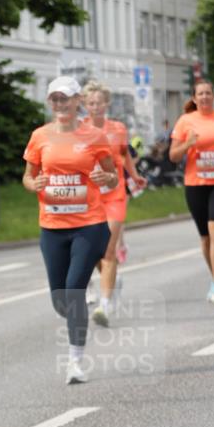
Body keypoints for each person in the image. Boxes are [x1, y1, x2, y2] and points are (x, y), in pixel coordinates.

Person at [23, 76, 118, 384]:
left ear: (78, 100)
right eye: (54, 98)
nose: (59, 103)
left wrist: (106, 179)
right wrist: (34, 184)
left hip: (89, 225)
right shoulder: (40, 136)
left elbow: (113, 175)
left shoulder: (94, 136)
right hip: (52, 227)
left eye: (65, 98)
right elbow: (28, 176)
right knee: (60, 300)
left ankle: (75, 361)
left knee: (75, 289)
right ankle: (78, 317)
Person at [81, 81, 147, 327]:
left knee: (109, 248)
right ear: (85, 105)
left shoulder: (118, 129)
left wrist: (135, 175)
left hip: (115, 194)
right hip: (88, 197)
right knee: (93, 250)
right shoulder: (79, 129)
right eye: (91, 103)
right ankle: (113, 281)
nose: (95, 107)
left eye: (99, 102)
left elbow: (125, 154)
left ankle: (105, 304)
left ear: (106, 103)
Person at [170, 79, 214, 303]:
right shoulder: (185, 121)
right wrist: (187, 144)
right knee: (206, 237)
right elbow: (173, 156)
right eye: (200, 94)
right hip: (196, 185)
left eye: (208, 93)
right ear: (194, 98)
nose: (205, 97)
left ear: (213, 96)